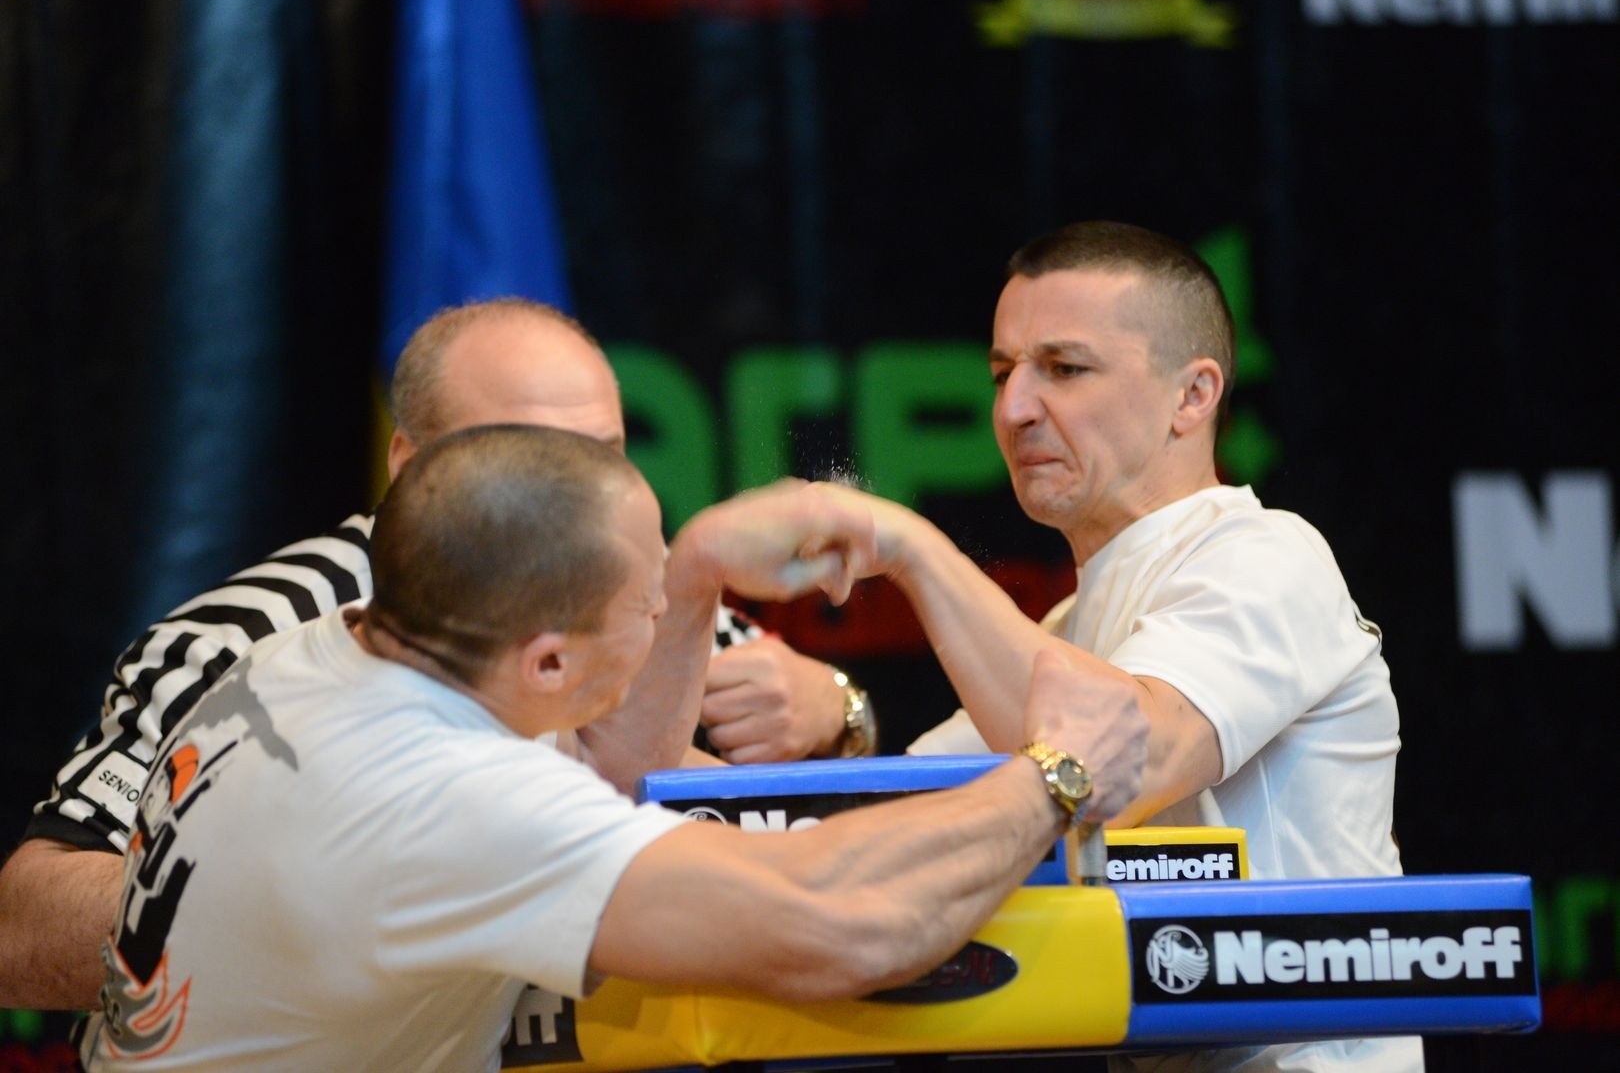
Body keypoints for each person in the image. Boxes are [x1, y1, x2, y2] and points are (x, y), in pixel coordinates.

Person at [79, 425, 1147, 1071]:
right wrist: (1058, 775)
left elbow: (612, 775)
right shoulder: (449, 799)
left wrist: (696, 570)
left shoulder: (322, 653)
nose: (664, 619)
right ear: (547, 664)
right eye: (646, 605)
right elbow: (842, 926)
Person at [0, 298, 873, 1012]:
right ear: (412, 466)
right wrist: (309, 890)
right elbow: (22, 934)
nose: (574, 511)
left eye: (600, 461)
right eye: (525, 465)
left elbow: (793, 822)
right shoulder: (242, 641)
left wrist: (836, 711)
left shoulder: (647, 586)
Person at [824, 221, 1420, 1072]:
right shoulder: (1071, 627)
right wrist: (832, 717)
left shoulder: (1269, 557)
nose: (1013, 410)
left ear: (1193, 396)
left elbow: (1113, 765)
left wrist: (914, 552)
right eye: (1002, 373)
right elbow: (907, 810)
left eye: (1064, 369)